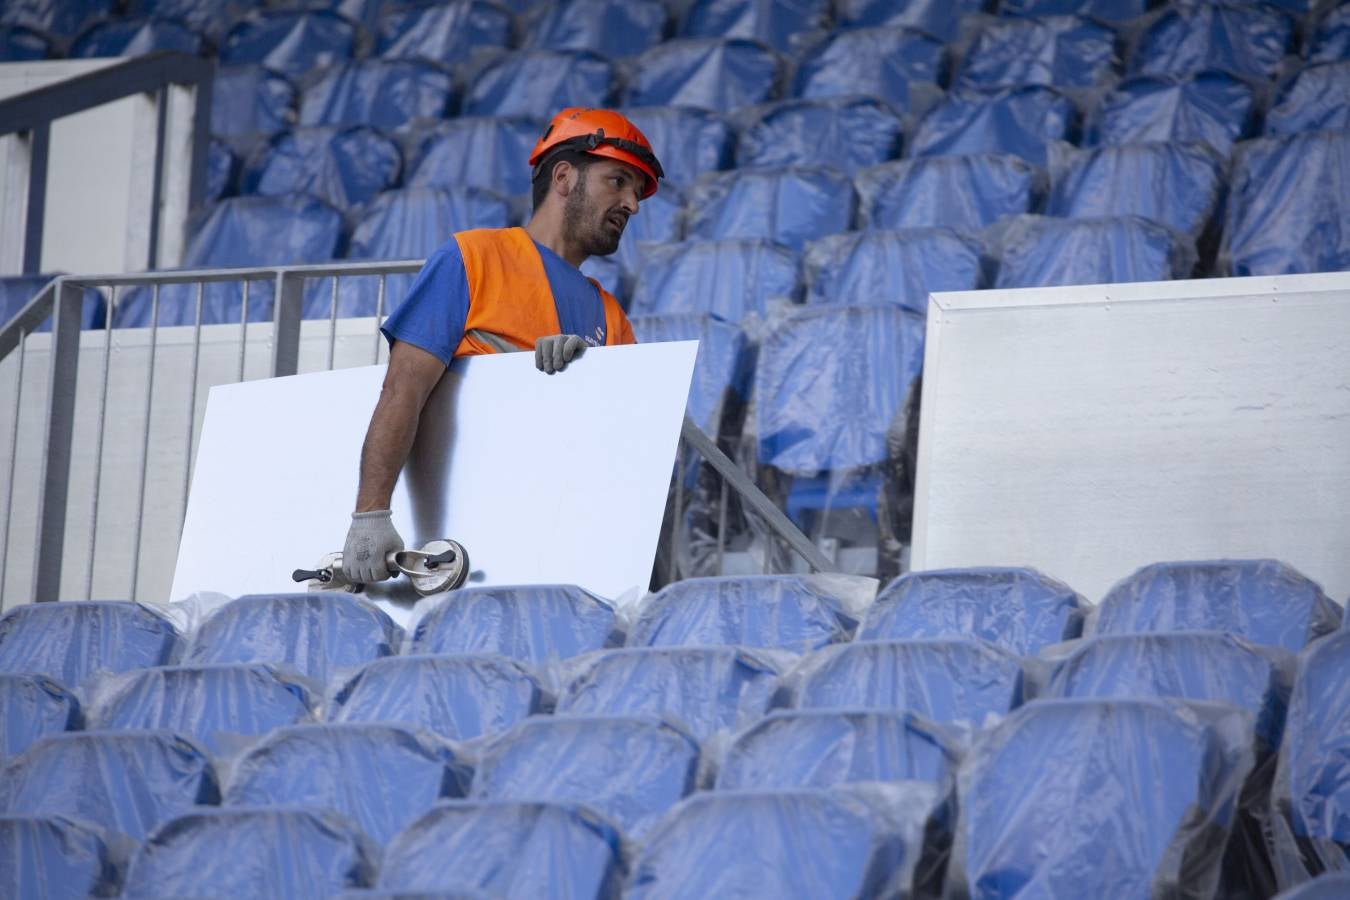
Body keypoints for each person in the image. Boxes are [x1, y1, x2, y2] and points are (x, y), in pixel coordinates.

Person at [341, 107, 664, 584]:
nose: (632, 204)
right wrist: (371, 515)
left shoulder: (610, 315)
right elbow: (402, 390)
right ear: (563, 177)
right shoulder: (473, 258)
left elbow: (624, 442)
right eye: (618, 181)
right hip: (462, 551)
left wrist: (584, 376)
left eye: (637, 192)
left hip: (561, 548)